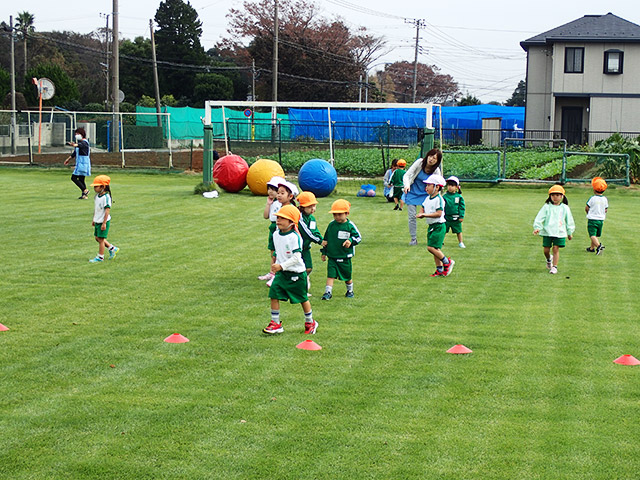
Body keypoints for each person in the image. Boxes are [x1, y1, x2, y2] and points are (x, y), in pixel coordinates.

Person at [262, 205, 318, 335]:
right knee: (274, 295)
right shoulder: (276, 234)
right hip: (282, 274)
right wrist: (276, 260)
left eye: (283, 218)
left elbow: (297, 257)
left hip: (296, 274)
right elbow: (278, 250)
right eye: (278, 217)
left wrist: (282, 266)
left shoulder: (295, 237)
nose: (279, 220)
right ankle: (275, 323)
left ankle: (310, 322)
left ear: (292, 222)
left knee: (302, 298)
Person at [320, 199, 362, 300]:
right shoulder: (331, 225)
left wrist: (351, 240)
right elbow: (326, 239)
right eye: (335, 215)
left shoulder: (350, 226)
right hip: (333, 256)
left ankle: (350, 290)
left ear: (347, 213)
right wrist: (324, 252)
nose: (337, 217)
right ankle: (328, 292)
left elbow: (358, 237)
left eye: (340, 214)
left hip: (344, 256)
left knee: (347, 276)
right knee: (330, 275)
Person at [416, 174, 455, 277]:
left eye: (429, 185)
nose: (426, 187)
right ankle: (439, 269)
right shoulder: (427, 199)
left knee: (431, 247)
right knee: (435, 249)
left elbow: (439, 213)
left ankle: (447, 262)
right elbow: (423, 207)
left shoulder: (439, 199)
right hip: (431, 226)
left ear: (437, 187)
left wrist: (425, 215)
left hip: (439, 226)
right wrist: (421, 213)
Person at [403, 148, 443, 245]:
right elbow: (407, 175)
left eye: (434, 158)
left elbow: (440, 183)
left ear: (437, 161)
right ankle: (413, 239)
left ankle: (438, 237)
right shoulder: (420, 162)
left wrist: (438, 197)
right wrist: (407, 185)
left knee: (435, 215)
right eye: (430, 156)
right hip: (412, 192)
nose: (431, 159)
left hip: (427, 194)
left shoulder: (436, 170)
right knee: (412, 216)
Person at [533, 184, 575, 275]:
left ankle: (554, 267)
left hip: (560, 232)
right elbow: (540, 217)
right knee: (546, 250)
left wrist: (569, 232)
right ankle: (549, 259)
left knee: (556, 248)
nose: (555, 197)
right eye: (553, 195)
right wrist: (537, 228)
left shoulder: (565, 208)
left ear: (562, 196)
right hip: (547, 232)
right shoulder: (547, 206)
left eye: (557, 195)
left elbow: (569, 220)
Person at [258, 176, 285, 283]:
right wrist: (268, 204)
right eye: (269, 189)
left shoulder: (283, 203)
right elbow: (266, 216)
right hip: (273, 227)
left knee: (279, 252)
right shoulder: (272, 203)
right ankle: (272, 272)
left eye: (273, 189)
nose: (270, 191)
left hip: (280, 228)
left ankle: (277, 273)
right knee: (273, 252)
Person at [297, 191, 323, 296]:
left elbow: (314, 231)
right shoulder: (300, 218)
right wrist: (320, 241)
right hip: (297, 248)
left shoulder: (312, 218)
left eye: (314, 206)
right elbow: (307, 233)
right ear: (302, 207)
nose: (313, 209)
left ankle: (301, 284)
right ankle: (299, 289)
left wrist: (322, 239)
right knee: (295, 269)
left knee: (308, 268)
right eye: (310, 206)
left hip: (306, 248)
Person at [88, 175, 119, 263]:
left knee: (101, 239)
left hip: (103, 221)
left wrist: (104, 223)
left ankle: (100, 257)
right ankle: (112, 248)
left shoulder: (106, 198)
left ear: (103, 187)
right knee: (97, 238)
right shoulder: (97, 196)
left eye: (96, 186)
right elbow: (96, 209)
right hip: (98, 220)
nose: (94, 188)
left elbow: (107, 210)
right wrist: (94, 219)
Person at [63, 127, 92, 199]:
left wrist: (74, 145)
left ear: (82, 134)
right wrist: (68, 159)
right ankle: (84, 195)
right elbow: (75, 153)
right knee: (81, 179)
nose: (76, 135)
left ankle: (85, 190)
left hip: (83, 163)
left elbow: (80, 145)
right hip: (80, 163)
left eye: (78, 134)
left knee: (74, 178)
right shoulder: (80, 143)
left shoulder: (85, 142)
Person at [585, 177, 608, 255]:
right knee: (595, 235)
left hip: (592, 219)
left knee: (592, 234)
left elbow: (587, 207)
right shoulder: (605, 199)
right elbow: (605, 209)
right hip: (601, 220)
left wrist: (588, 213)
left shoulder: (592, 198)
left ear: (594, 189)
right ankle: (592, 248)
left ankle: (599, 246)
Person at [442, 176, 466, 248]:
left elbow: (462, 207)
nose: (450, 187)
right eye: (448, 185)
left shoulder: (459, 197)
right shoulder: (444, 196)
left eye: (452, 185)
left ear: (457, 187)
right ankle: (441, 241)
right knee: (443, 230)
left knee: (458, 230)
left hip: (456, 217)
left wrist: (461, 216)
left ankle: (460, 242)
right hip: (446, 217)